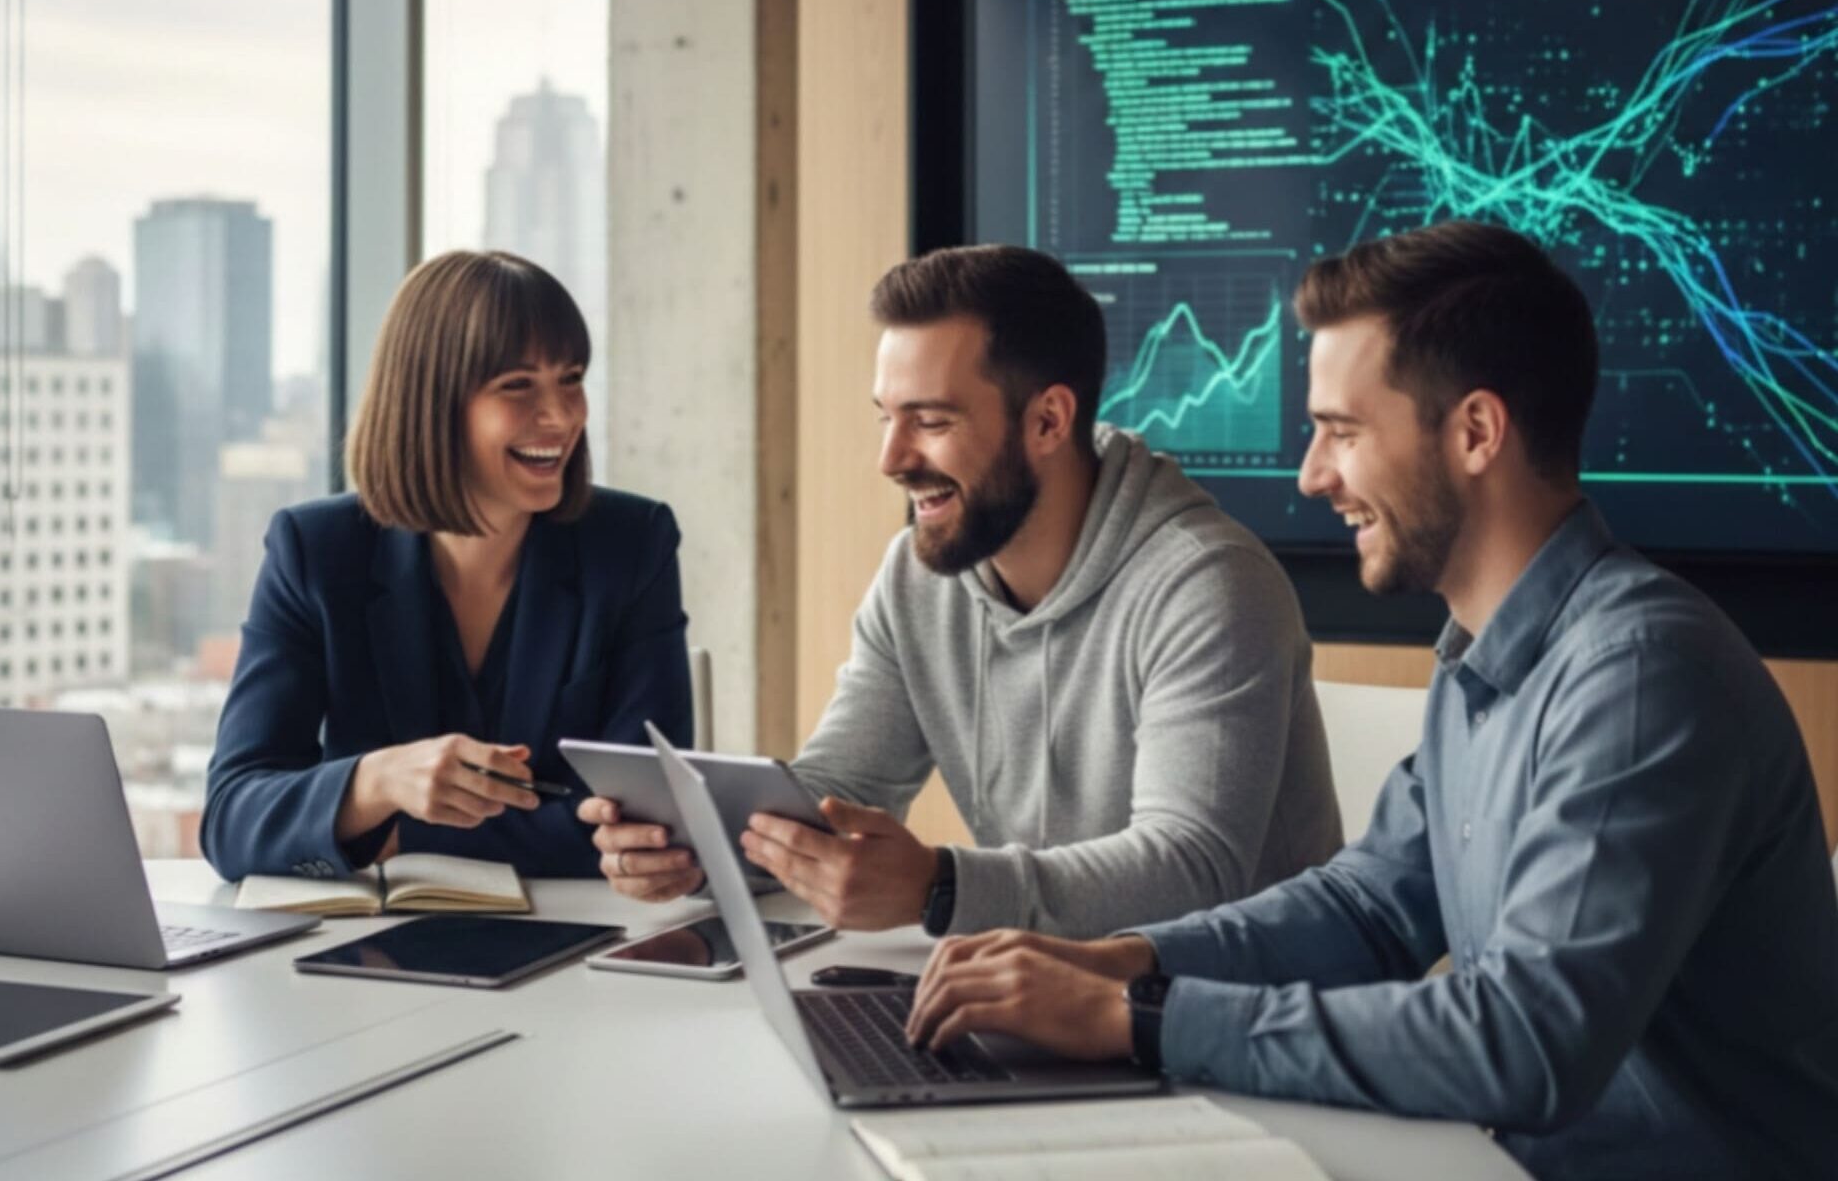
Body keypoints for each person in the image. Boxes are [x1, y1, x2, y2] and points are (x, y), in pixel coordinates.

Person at [904, 222, 1838, 1179]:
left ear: (1476, 432)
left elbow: (1523, 1045)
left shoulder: (1640, 676)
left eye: (1342, 432)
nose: (1313, 474)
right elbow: (1368, 912)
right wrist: (1126, 961)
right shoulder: (1485, 657)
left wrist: (1139, 1021)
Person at [583, 245, 1342, 937]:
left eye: (931, 421)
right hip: (1050, 995)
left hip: (1237, 1022)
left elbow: (1191, 870)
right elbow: (840, 787)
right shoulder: (917, 577)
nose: (891, 458)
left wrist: (942, 887)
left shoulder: (1208, 586)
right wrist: (696, 846)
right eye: (886, 417)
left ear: (1048, 419)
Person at [200, 250, 692, 881]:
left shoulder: (632, 545)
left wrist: (397, 831)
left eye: (570, 379)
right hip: (365, 962)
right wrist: (376, 782)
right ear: (429, 405)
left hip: (577, 949)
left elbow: (646, 827)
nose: (563, 415)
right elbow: (232, 822)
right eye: (519, 386)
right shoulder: (315, 551)